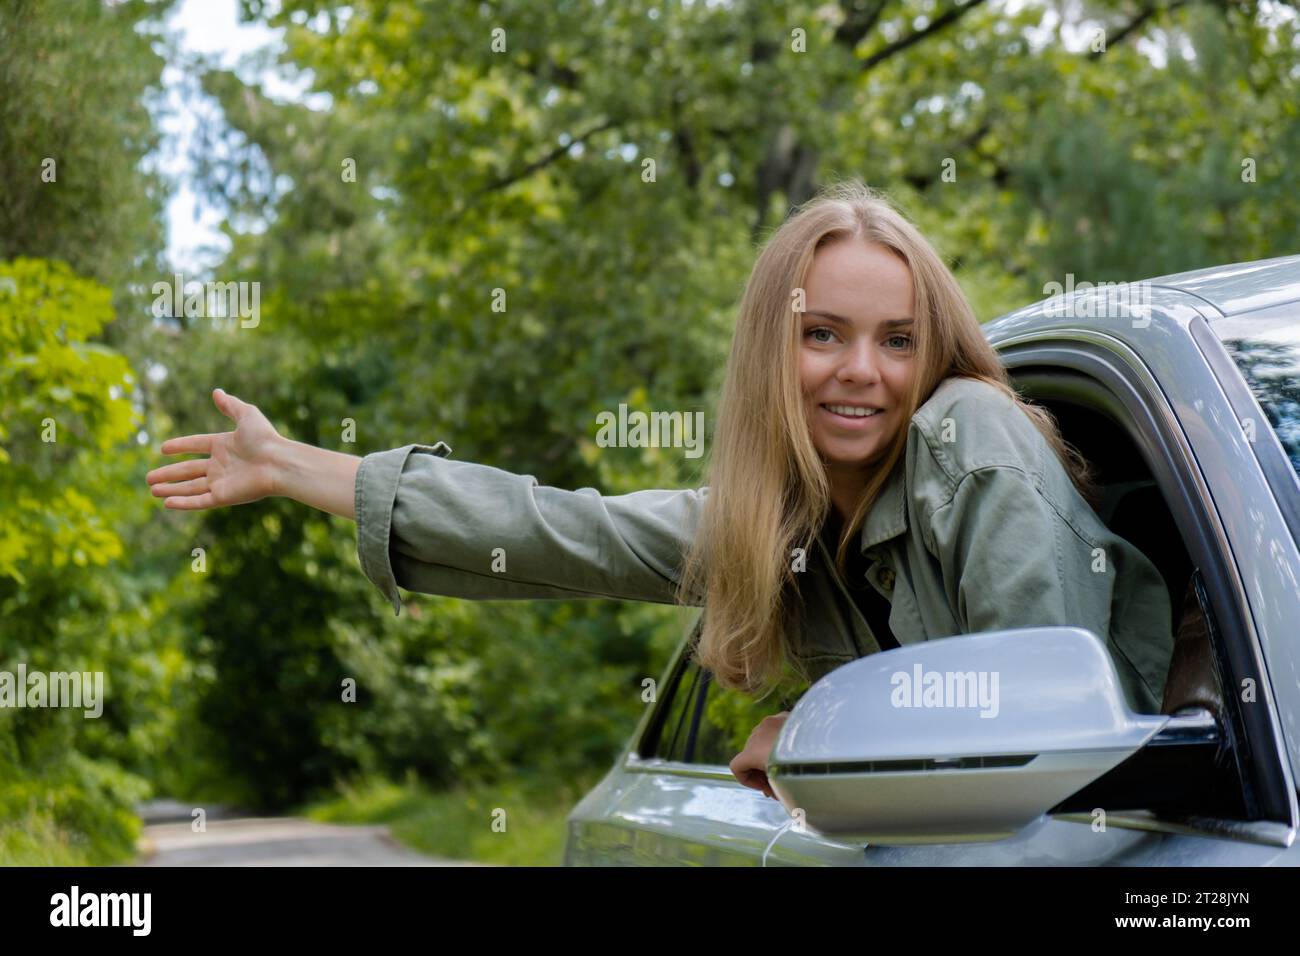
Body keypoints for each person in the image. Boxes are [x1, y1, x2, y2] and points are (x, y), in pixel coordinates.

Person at [145, 181, 1174, 802]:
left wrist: (828, 736)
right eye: (822, 334)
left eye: (897, 339)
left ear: (933, 347)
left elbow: (1044, 727)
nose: (863, 369)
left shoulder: (973, 433)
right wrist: (293, 467)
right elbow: (562, 529)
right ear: (773, 348)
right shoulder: (780, 524)